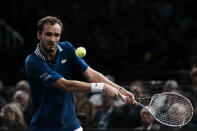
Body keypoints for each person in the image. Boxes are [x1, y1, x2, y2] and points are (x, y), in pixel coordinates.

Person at [25, 16, 136, 131]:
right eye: (48, 34)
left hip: (72, 125)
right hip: (44, 127)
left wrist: (120, 89)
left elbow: (91, 74)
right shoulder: (33, 62)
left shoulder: (67, 48)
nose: (52, 39)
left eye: (56, 35)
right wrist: (102, 87)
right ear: (39, 35)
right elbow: (65, 85)